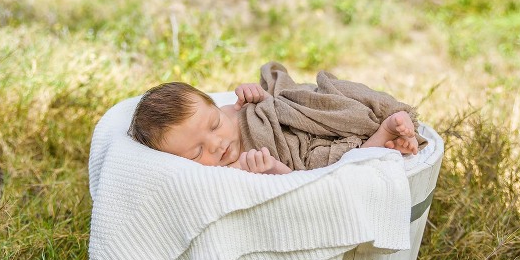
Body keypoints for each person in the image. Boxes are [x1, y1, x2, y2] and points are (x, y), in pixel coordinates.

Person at [129, 68, 422, 175]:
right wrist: (271, 168)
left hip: (299, 118)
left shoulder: (231, 111)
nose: (217, 144)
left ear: (216, 107)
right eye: (196, 152)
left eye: (215, 124)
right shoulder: (227, 169)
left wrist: (252, 95)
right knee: (330, 167)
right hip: (298, 154)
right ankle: (383, 138)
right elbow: (294, 183)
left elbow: (257, 103)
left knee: (326, 95)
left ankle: (380, 118)